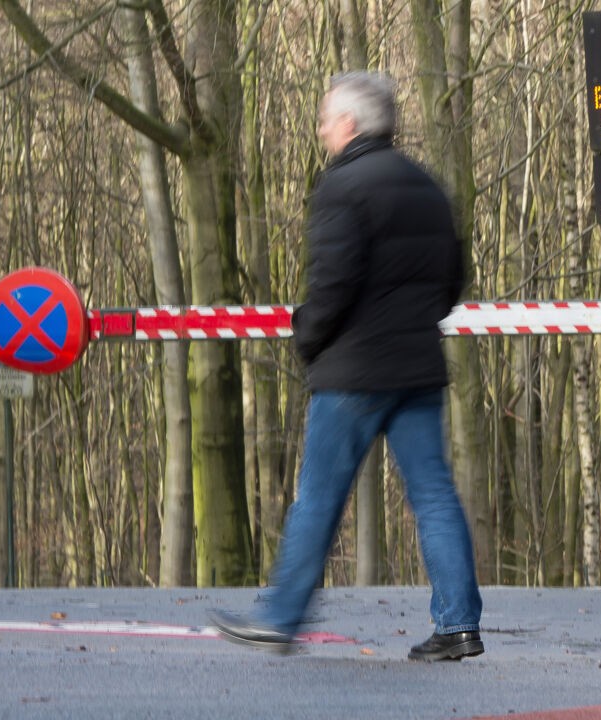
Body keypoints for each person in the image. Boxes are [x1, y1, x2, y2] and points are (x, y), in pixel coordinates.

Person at [209, 71, 483, 662]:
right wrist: (414, 323)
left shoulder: (341, 187)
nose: (321, 130)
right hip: (417, 367)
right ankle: (459, 625)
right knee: (434, 495)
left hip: (354, 372)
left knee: (318, 499)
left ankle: (281, 618)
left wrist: (307, 335)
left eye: (327, 119)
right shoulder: (427, 186)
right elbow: (452, 279)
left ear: (351, 124)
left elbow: (331, 284)